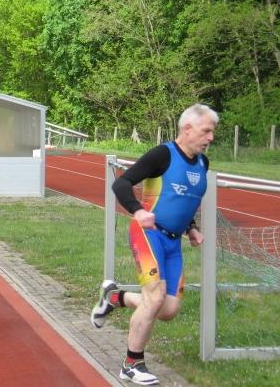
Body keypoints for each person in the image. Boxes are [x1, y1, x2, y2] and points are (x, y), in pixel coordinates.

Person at [91, 103, 218, 385]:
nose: (210, 137)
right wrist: (137, 211)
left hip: (173, 242)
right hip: (148, 233)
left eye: (212, 132)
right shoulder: (162, 155)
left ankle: (114, 298)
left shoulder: (203, 164)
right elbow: (121, 184)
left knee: (168, 310)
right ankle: (131, 364)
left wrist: (192, 228)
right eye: (206, 131)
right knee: (155, 297)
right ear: (187, 129)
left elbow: (184, 199)